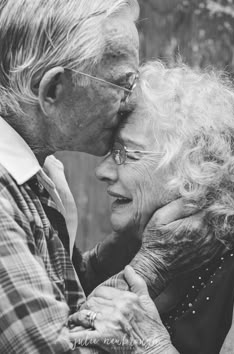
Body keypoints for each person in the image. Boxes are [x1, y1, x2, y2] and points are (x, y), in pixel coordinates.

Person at [0, 1, 186, 353]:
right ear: (53, 90)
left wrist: (139, 245)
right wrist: (148, 343)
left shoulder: (37, 173)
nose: (129, 101)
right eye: (122, 83)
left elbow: (57, 292)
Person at [89, 61, 234, 353]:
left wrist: (150, 346)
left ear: (192, 167)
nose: (101, 171)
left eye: (123, 153)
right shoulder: (130, 242)